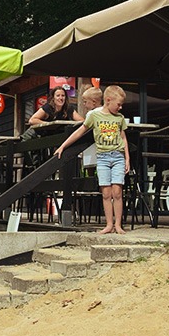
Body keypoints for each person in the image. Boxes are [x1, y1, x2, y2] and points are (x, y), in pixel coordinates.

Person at [55, 85, 130, 234]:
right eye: (118, 104)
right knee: (106, 193)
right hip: (102, 157)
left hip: (117, 157)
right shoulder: (94, 116)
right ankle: (109, 224)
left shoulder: (119, 118)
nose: (120, 108)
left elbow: (123, 138)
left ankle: (118, 224)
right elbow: (80, 131)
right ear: (108, 100)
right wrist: (63, 146)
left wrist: (127, 158)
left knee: (117, 192)